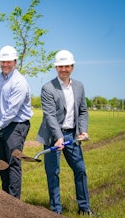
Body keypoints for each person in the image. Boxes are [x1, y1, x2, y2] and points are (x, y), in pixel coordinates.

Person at [36, 50, 94, 215]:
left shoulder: (79, 86)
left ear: (72, 67)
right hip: (52, 136)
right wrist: (58, 137)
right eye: (60, 66)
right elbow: (50, 116)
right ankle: (56, 211)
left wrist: (83, 131)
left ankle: (84, 207)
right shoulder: (48, 88)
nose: (63, 69)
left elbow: (83, 111)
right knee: (53, 173)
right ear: (56, 67)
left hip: (72, 135)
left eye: (67, 66)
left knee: (80, 169)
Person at [0, 45, 33, 199]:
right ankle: (5, 198)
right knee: (2, 162)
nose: (5, 64)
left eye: (8, 62)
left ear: (15, 62)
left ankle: (14, 201)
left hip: (17, 126)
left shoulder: (19, 82)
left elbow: (12, 111)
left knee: (13, 162)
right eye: (3, 61)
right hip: (3, 125)